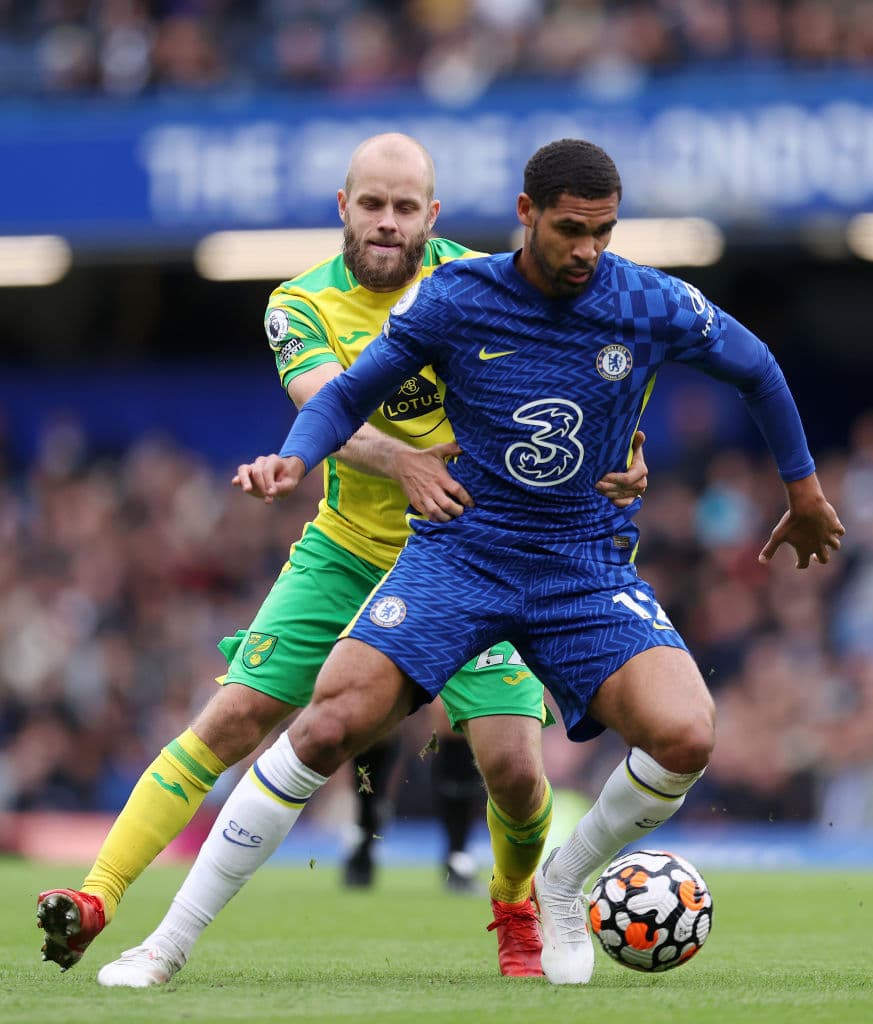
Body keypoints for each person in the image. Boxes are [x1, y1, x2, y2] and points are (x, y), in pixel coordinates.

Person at [225, 137, 844, 985]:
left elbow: (757, 368)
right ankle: (164, 936)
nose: (588, 249)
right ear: (526, 216)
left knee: (675, 737)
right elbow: (345, 392)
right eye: (570, 229)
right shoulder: (460, 297)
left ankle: (558, 880)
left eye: (604, 231)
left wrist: (801, 489)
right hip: (461, 551)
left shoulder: (646, 299)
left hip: (579, 564)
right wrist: (297, 457)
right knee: (328, 724)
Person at [36, 133, 648, 984]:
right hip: (347, 551)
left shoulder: (482, 285)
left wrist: (626, 449)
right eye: (372, 206)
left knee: (510, 765)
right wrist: (400, 461)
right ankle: (98, 897)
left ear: (431, 217)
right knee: (234, 720)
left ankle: (515, 904)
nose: (387, 224)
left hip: (476, 552)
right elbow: (325, 404)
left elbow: (582, 383)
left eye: (405, 209)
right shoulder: (298, 302)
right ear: (342, 208)